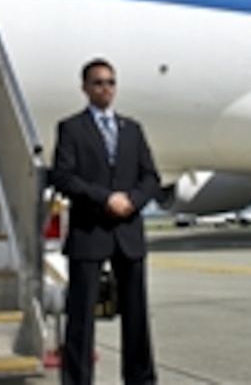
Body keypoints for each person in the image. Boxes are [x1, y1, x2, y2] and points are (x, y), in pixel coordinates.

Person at [51, 58, 160, 385]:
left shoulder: (133, 129)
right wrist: (105, 198)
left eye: (111, 82)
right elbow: (63, 177)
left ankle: (140, 379)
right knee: (81, 318)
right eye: (98, 82)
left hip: (128, 232)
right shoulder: (71, 128)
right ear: (85, 88)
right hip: (90, 230)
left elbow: (150, 177)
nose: (106, 88)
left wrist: (133, 201)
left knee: (137, 317)